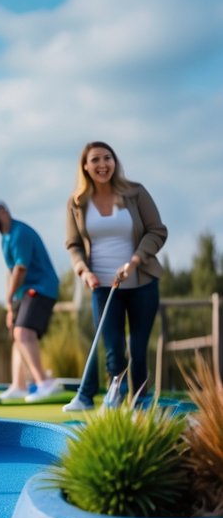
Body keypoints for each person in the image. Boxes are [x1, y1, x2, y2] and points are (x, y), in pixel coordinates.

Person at [63, 141, 167, 412]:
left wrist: (134, 260)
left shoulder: (135, 193)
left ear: (115, 162)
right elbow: (73, 244)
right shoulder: (77, 203)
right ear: (85, 166)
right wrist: (83, 271)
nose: (102, 164)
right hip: (102, 285)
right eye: (95, 159)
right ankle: (115, 394)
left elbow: (157, 231)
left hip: (141, 281)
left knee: (139, 347)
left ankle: (141, 401)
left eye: (107, 158)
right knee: (113, 345)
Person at [0, 200, 62, 403]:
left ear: (3, 212)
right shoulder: (5, 238)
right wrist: (11, 305)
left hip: (41, 288)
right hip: (24, 292)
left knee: (23, 332)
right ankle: (19, 385)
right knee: (16, 335)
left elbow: (20, 269)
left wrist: (9, 297)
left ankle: (44, 383)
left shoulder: (20, 233)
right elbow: (11, 272)